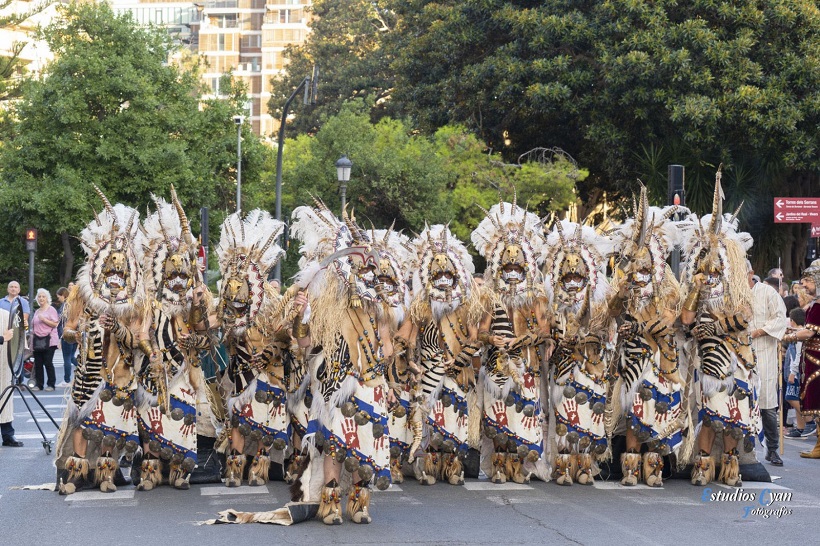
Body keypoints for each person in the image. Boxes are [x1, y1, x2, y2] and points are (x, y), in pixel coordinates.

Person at [289, 202, 408, 524]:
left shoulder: (381, 307)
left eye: (367, 265)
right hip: (333, 383)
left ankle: (359, 504)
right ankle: (329, 504)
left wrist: (384, 378)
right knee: (336, 446)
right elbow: (304, 343)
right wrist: (301, 315)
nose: (362, 271)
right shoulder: (325, 303)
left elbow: (386, 347)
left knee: (366, 444)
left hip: (370, 383)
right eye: (356, 264)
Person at [55, 190, 148, 495]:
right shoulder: (83, 292)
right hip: (88, 367)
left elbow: (137, 339)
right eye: (110, 262)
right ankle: (76, 472)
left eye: (120, 264)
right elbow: (67, 329)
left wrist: (118, 332)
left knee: (110, 425)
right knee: (82, 421)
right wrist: (80, 333)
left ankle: (106, 473)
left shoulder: (135, 299)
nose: (115, 269)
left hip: (119, 369)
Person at [680, 171, 758, 487]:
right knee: (712, 413)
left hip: (738, 359)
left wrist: (714, 328)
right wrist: (696, 290)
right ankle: (702, 466)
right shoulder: (695, 287)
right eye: (705, 267)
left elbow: (745, 315)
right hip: (709, 361)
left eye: (716, 268)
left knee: (734, 420)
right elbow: (686, 321)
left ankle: (730, 467)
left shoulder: (738, 287)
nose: (711, 272)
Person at [132, 190, 215, 491]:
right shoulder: (151, 304)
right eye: (173, 273)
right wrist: (151, 353)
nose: (178, 278)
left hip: (184, 371)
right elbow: (142, 335)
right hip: (154, 369)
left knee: (183, 419)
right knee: (152, 419)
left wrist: (196, 317)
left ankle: (181, 471)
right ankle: (150, 472)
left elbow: (206, 333)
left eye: (183, 273)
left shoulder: (196, 300)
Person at [608, 188, 685, 487]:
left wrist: (639, 327)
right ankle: (629, 468)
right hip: (631, 358)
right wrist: (622, 293)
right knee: (631, 414)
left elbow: (668, 321)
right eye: (636, 264)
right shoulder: (624, 281)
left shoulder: (668, 284)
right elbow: (614, 312)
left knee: (656, 412)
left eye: (645, 264)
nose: (640, 270)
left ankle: (653, 468)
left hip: (660, 356)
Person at [472, 199, 551, 485]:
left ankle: (520, 467)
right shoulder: (488, 296)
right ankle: (501, 466)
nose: (512, 269)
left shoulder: (536, 295)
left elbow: (545, 331)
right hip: (496, 367)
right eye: (507, 264)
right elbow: (479, 332)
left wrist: (521, 340)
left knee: (524, 420)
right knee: (499, 422)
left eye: (517, 264)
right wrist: (490, 337)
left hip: (525, 366)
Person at [397, 224, 481, 486]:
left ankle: (453, 465)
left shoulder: (466, 303)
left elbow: (474, 337)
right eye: (438, 273)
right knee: (427, 415)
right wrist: (411, 360)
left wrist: (459, 359)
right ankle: (425, 465)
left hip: (457, 369)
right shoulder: (421, 304)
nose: (443, 279)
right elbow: (406, 337)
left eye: (448, 273)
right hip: (428, 369)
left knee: (455, 414)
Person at [543, 216, 612, 486]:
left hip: (592, 365)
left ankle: (585, 467)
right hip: (563, 366)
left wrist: (597, 333)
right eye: (567, 274)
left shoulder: (601, 298)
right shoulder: (551, 301)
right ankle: (562, 467)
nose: (573, 279)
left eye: (577, 273)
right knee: (564, 414)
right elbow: (546, 330)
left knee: (588, 416)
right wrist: (553, 339)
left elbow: (608, 327)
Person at [749, 266, 788, 466]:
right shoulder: (733, 294)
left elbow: (781, 318)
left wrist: (760, 331)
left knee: (767, 404)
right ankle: (740, 449)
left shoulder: (768, 292)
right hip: (738, 353)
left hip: (764, 352)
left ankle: (772, 449)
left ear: (750, 273)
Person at [783, 259, 820, 458]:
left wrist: (787, 336)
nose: (804, 285)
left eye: (808, 281)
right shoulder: (816, 304)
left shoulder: (819, 305)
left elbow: (808, 334)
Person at [785, 308, 815, 437]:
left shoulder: (800, 336)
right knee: (797, 398)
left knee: (791, 398)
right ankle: (801, 427)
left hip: (798, 372)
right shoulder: (798, 332)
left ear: (792, 321)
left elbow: (798, 355)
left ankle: (810, 421)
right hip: (798, 371)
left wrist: (793, 372)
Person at [0, 291, 21, 447]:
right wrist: (2, 338)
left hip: (4, 364)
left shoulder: (6, 315)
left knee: (6, 399)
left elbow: (18, 338)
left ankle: (8, 435)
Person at [31, 288, 60, 392]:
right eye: (39, 296)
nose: (41, 298)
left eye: (43, 296)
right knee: (38, 364)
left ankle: (51, 384)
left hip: (50, 340)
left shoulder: (51, 309)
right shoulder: (37, 311)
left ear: (47, 298)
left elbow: (56, 324)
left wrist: (44, 320)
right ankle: (39, 385)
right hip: (37, 340)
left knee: (48, 362)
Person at [56, 287, 78, 386]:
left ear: (63, 295)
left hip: (67, 333)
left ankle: (66, 380)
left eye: (58, 297)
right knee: (72, 356)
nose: (58, 299)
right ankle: (83, 367)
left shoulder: (65, 306)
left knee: (67, 358)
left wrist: (60, 336)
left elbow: (61, 321)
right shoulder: (74, 305)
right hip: (75, 332)